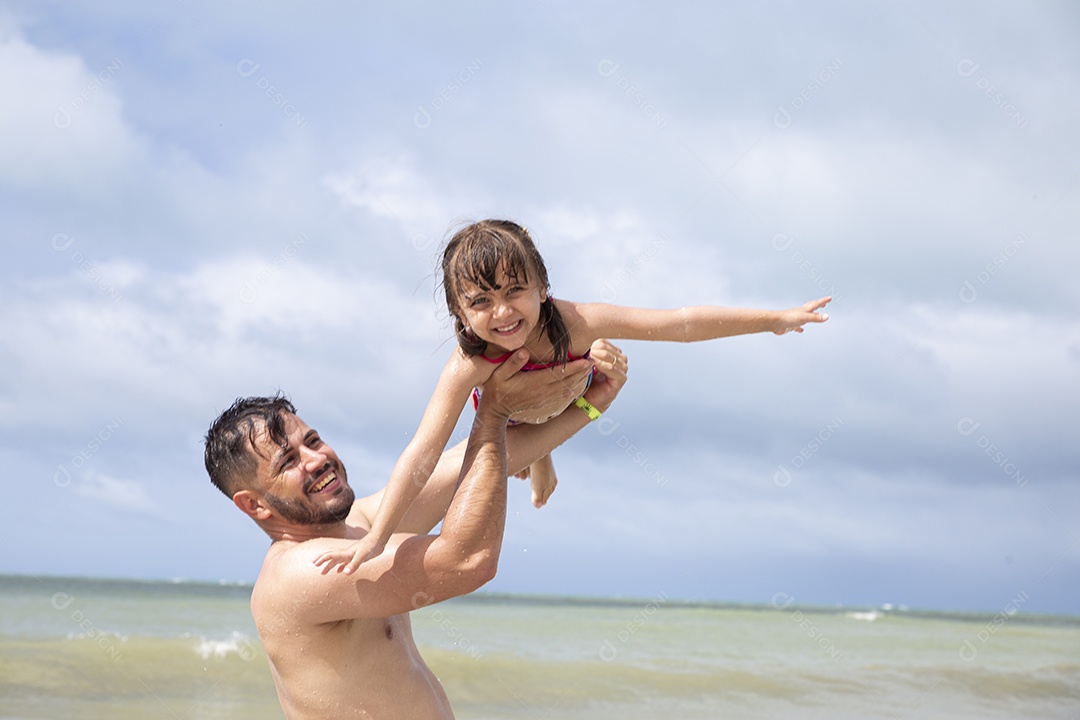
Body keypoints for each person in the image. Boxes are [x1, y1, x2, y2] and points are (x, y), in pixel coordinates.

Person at [317, 219, 831, 574]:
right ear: (458, 310)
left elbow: (680, 323)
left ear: (543, 286)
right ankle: (540, 458)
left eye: (514, 291)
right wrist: (378, 538)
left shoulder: (578, 323)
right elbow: (424, 450)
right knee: (517, 443)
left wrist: (775, 321)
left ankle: (543, 457)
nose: (501, 314)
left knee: (600, 361)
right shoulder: (469, 362)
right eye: (480, 302)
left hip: (569, 389)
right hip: (511, 415)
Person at [203, 341, 627, 719]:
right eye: (288, 462)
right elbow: (467, 562)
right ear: (253, 504)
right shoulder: (298, 575)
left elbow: (481, 459)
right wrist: (494, 412)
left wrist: (592, 402)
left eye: (312, 441)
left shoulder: (360, 529)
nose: (316, 460)